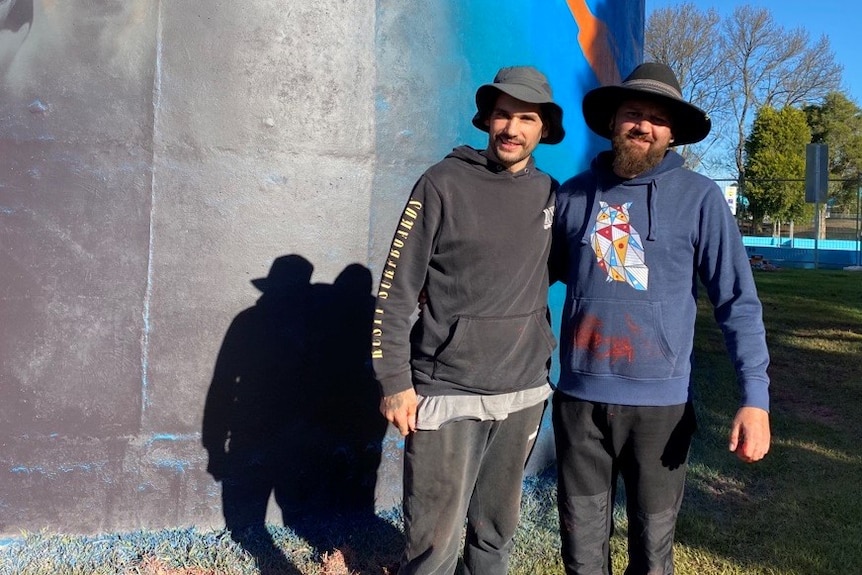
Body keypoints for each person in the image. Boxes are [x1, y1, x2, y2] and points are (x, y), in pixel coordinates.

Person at [550, 62, 771, 575]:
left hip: (661, 409)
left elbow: (737, 300)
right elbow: (527, 275)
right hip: (580, 403)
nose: (642, 125)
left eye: (656, 118)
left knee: (653, 555)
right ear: (613, 121)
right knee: (582, 554)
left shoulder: (700, 198)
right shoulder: (573, 196)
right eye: (632, 113)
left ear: (672, 133)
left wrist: (755, 399)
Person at [371, 66, 565, 575]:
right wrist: (395, 381)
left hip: (523, 392)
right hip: (447, 391)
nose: (512, 128)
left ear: (544, 128)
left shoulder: (551, 195)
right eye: (503, 115)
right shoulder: (441, 184)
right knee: (433, 546)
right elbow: (394, 290)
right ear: (486, 120)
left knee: (494, 536)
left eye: (526, 117)